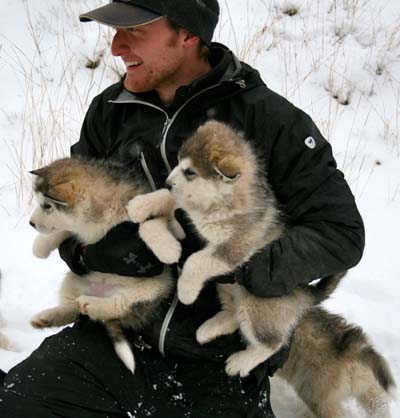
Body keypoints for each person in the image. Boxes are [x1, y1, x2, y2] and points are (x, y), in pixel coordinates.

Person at [0, 1, 365, 417]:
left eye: (133, 32)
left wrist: (237, 262)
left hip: (215, 359)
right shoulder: (110, 111)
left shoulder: (271, 120)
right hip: (112, 334)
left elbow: (340, 233)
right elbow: (69, 213)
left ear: (188, 35)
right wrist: (87, 253)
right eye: (115, 32)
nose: (116, 46)